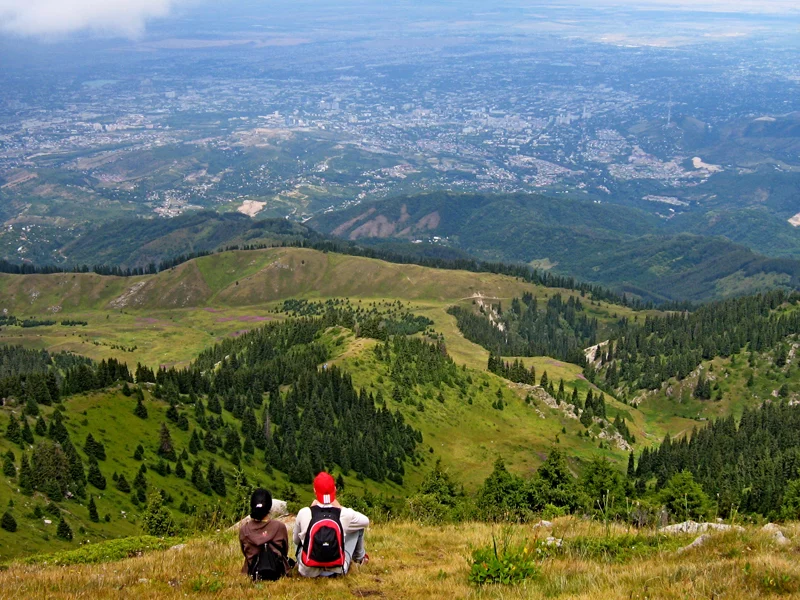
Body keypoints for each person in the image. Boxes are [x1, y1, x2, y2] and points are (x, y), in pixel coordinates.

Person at [293, 472, 369, 577]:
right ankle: (360, 558)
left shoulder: (304, 512)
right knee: (358, 527)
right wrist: (340, 507)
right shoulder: (344, 514)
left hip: (308, 571)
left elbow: (296, 541)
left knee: (300, 535)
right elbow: (365, 521)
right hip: (336, 570)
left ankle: (302, 564)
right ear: (335, 489)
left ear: (315, 491)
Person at [239, 488, 291, 579]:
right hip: (277, 570)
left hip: (252, 570)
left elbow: (244, 552)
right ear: (269, 506)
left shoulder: (244, 529)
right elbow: (284, 550)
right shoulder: (279, 527)